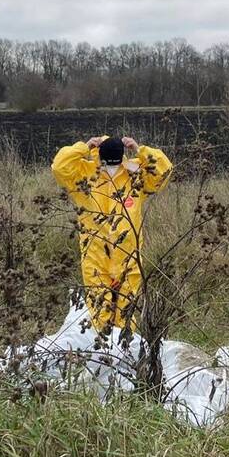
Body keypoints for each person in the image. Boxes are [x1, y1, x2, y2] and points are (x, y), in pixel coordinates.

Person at [51, 135, 173, 333]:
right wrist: (84, 147)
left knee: (126, 307)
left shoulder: (134, 174)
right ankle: (104, 348)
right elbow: (59, 166)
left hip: (128, 254)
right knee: (100, 305)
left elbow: (163, 171)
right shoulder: (85, 174)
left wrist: (141, 150)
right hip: (96, 252)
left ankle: (124, 348)